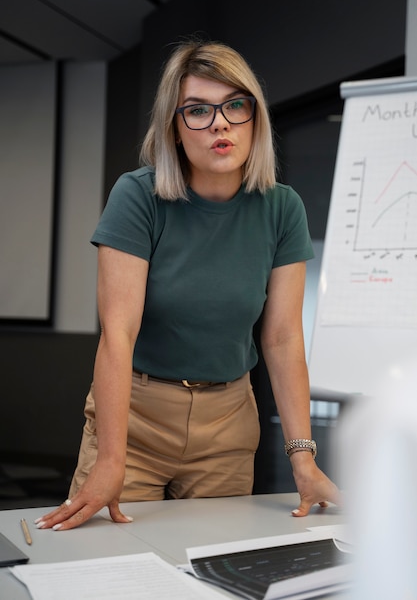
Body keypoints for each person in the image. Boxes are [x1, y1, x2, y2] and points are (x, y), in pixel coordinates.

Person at [36, 39, 340, 532]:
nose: (220, 122)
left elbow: (282, 339)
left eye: (235, 105)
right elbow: (118, 334)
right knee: (107, 564)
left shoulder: (283, 207)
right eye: (197, 110)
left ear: (255, 118)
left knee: (212, 566)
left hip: (228, 423)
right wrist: (111, 460)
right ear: (175, 130)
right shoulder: (138, 196)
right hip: (135, 419)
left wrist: (302, 459)